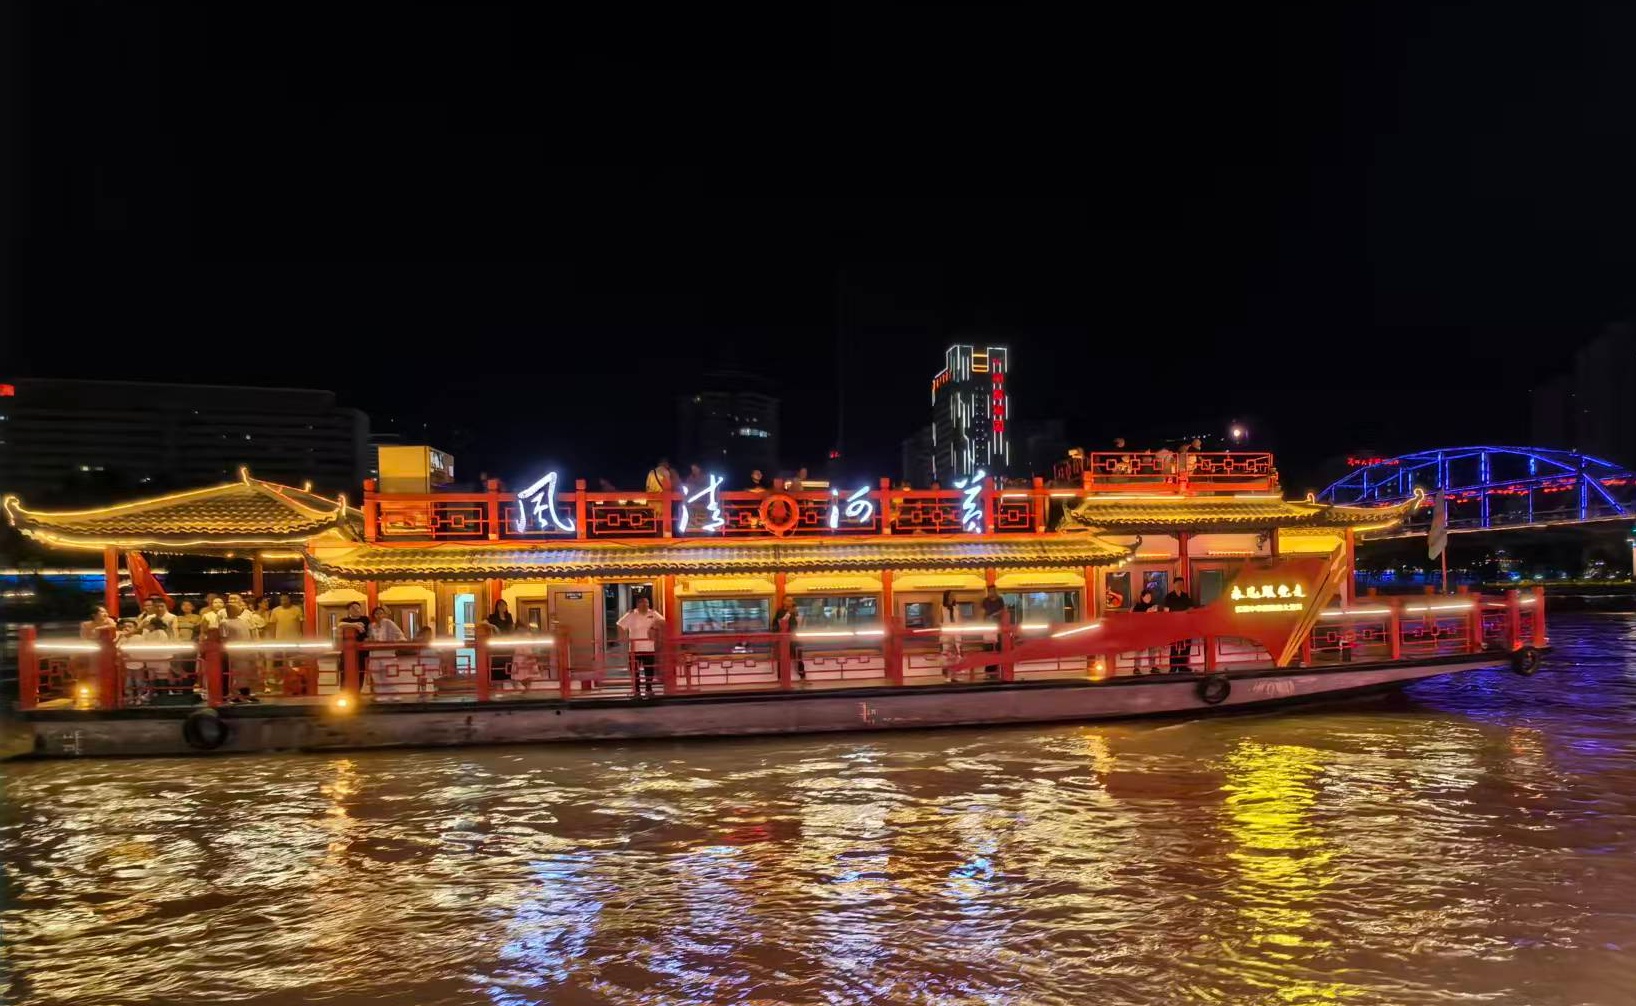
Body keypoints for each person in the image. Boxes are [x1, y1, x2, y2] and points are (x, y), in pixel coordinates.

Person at [616, 594, 665, 698]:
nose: (645, 605)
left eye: (647, 603)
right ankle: (636, 691)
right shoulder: (631, 614)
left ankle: (649, 690)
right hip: (634, 649)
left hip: (649, 648)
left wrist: (654, 627)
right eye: (643, 603)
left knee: (649, 671)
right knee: (635, 672)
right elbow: (620, 625)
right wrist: (623, 638)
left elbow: (662, 621)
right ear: (637, 604)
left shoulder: (652, 613)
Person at [218, 595, 260, 702]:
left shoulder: (242, 621)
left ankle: (246, 693)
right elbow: (223, 638)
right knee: (235, 674)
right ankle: (234, 694)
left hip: (245, 651)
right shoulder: (224, 622)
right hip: (233, 652)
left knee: (246, 673)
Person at [1163, 578, 1195, 671]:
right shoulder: (1169, 596)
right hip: (1174, 625)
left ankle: (1183, 666)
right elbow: (1166, 610)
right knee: (1174, 647)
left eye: (1181, 584)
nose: (1179, 585)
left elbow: (1191, 608)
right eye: (1177, 583)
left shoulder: (1185, 596)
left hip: (1185, 625)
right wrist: (1179, 613)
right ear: (1174, 584)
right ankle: (1173, 667)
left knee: (1186, 646)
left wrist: (1184, 612)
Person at [1130, 589, 1164, 673]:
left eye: (1150, 596)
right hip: (1140, 631)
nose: (1149, 597)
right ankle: (1136, 667)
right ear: (1142, 597)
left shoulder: (1153, 606)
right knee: (1139, 650)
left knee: (1152, 650)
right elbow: (1134, 618)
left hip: (1151, 631)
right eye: (1147, 596)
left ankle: (1153, 666)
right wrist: (1146, 612)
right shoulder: (1137, 606)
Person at [771, 599, 804, 683]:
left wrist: (797, 616)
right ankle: (781, 678)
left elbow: (799, 625)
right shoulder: (780, 612)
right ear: (784, 602)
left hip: (795, 638)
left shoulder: (795, 612)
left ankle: (802, 677)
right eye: (788, 600)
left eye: (791, 601)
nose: (790, 602)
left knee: (799, 657)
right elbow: (781, 623)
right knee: (782, 658)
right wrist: (789, 612)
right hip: (784, 639)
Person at [980, 585, 1006, 680]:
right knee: (988, 649)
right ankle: (988, 671)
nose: (991, 593)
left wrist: (994, 615)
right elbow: (983, 612)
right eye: (990, 591)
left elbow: (1002, 610)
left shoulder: (1000, 600)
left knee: (996, 649)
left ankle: (995, 671)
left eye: (993, 591)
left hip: (997, 627)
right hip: (987, 627)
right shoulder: (985, 601)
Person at [939, 589, 963, 680]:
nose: (953, 597)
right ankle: (947, 675)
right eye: (951, 595)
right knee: (947, 653)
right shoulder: (941, 606)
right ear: (947, 596)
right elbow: (940, 620)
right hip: (946, 632)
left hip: (956, 632)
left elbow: (960, 619)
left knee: (957, 653)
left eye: (954, 595)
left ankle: (955, 675)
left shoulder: (957, 606)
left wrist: (960, 629)